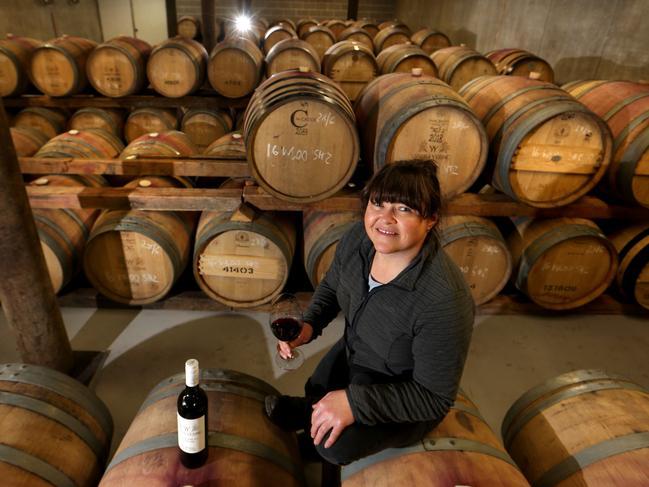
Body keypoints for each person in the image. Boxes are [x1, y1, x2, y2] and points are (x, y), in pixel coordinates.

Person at [265, 159, 475, 465]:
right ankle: (310, 407)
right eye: (378, 203)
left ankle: (314, 424)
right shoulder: (358, 240)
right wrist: (308, 327)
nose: (384, 219)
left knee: (332, 447)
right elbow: (333, 285)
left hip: (399, 390)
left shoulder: (443, 300)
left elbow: (432, 398)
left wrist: (354, 402)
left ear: (430, 219)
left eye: (403, 209)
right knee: (318, 385)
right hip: (356, 352)